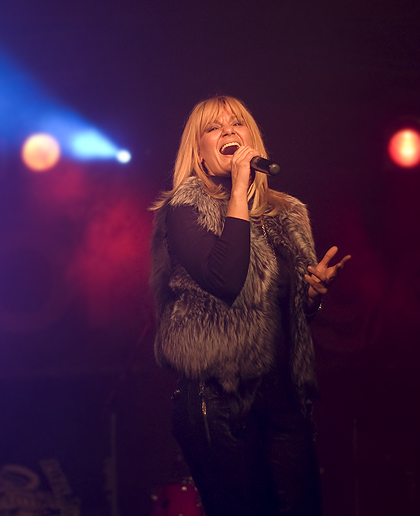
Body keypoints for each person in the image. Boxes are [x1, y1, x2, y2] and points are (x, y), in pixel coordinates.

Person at [150, 95, 350, 516]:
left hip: (284, 398)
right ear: (199, 154)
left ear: (252, 138)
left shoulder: (286, 213)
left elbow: (283, 315)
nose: (228, 131)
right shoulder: (185, 209)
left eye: (237, 123)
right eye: (213, 127)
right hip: (220, 399)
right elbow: (225, 281)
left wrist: (311, 298)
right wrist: (239, 189)